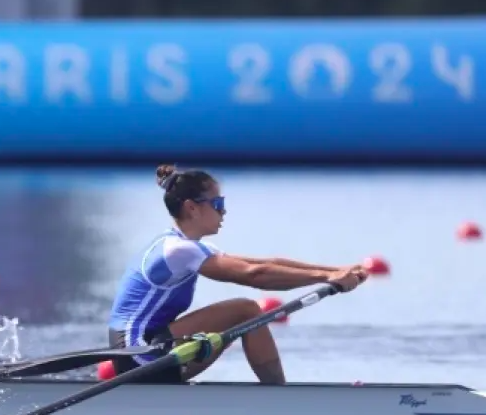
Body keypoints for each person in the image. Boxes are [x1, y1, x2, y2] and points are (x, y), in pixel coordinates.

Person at [105, 164, 368, 385]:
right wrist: (326, 278)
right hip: (139, 355)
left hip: (147, 351)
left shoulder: (190, 247)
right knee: (246, 310)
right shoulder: (178, 250)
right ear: (192, 208)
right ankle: (281, 397)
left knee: (241, 315)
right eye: (218, 204)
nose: (224, 211)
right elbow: (254, 275)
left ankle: (278, 394)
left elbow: (266, 263)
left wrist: (335, 271)